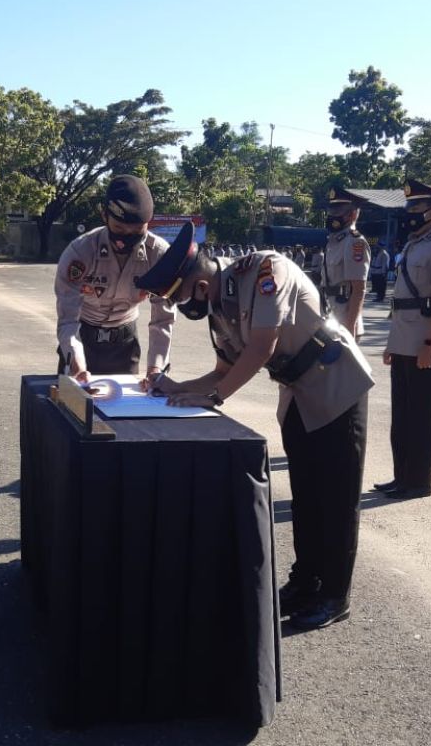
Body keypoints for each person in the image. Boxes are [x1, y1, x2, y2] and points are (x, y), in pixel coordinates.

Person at [134, 223, 374, 631]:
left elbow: (262, 347)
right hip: (299, 393)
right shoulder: (218, 308)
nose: (180, 307)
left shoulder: (265, 271)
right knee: (306, 496)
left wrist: (212, 399)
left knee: (335, 498)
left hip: (336, 385)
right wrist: (177, 387)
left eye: (179, 296)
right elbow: (224, 370)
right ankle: (306, 581)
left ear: (202, 284)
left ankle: (335, 595)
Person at [374, 180, 431, 500]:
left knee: (422, 416)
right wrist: (392, 343)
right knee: (401, 415)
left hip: (428, 342)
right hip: (404, 339)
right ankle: (401, 476)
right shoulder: (415, 243)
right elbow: (401, 300)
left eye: (417, 207)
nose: (410, 212)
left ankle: (418, 481)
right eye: (409, 206)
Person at [54, 175, 175, 382]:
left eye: (137, 231)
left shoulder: (160, 256)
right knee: (72, 408)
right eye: (119, 229)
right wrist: (78, 367)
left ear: (148, 223)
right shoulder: (80, 253)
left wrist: (156, 368)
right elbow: (67, 320)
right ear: (104, 216)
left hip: (125, 344)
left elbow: (163, 319)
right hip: (83, 340)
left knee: (126, 411)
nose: (126, 238)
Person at [321, 186, 371, 338]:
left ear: (352, 215)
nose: (332, 216)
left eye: (337, 212)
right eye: (331, 212)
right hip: (329, 314)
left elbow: (358, 289)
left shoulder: (354, 242)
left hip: (344, 318)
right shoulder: (333, 241)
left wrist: (350, 328)